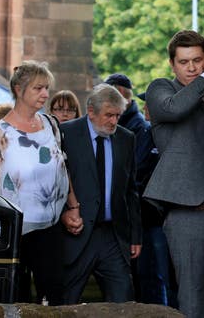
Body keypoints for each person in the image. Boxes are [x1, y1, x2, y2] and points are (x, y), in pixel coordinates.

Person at [144, 30, 204, 318]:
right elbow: (175, 109)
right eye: (184, 62)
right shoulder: (161, 89)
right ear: (172, 65)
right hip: (187, 214)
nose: (191, 68)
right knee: (192, 302)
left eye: (198, 61)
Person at [0, 61, 68, 304]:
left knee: (55, 294)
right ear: (19, 89)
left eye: (47, 88)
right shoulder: (0, 134)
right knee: (16, 296)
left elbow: (63, 168)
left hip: (50, 225)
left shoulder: (50, 125)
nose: (45, 94)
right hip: (14, 228)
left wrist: (73, 206)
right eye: (38, 88)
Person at [59, 83, 142, 303]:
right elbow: (55, 182)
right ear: (91, 112)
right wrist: (63, 214)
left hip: (113, 236)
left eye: (118, 115)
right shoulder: (66, 133)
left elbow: (131, 191)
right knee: (66, 301)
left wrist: (135, 235)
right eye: (109, 115)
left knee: (123, 300)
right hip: (76, 234)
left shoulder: (126, 138)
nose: (114, 121)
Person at [104, 73, 172, 305]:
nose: (146, 108)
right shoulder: (128, 127)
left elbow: (135, 174)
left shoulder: (141, 131)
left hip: (147, 216)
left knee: (152, 275)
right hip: (134, 215)